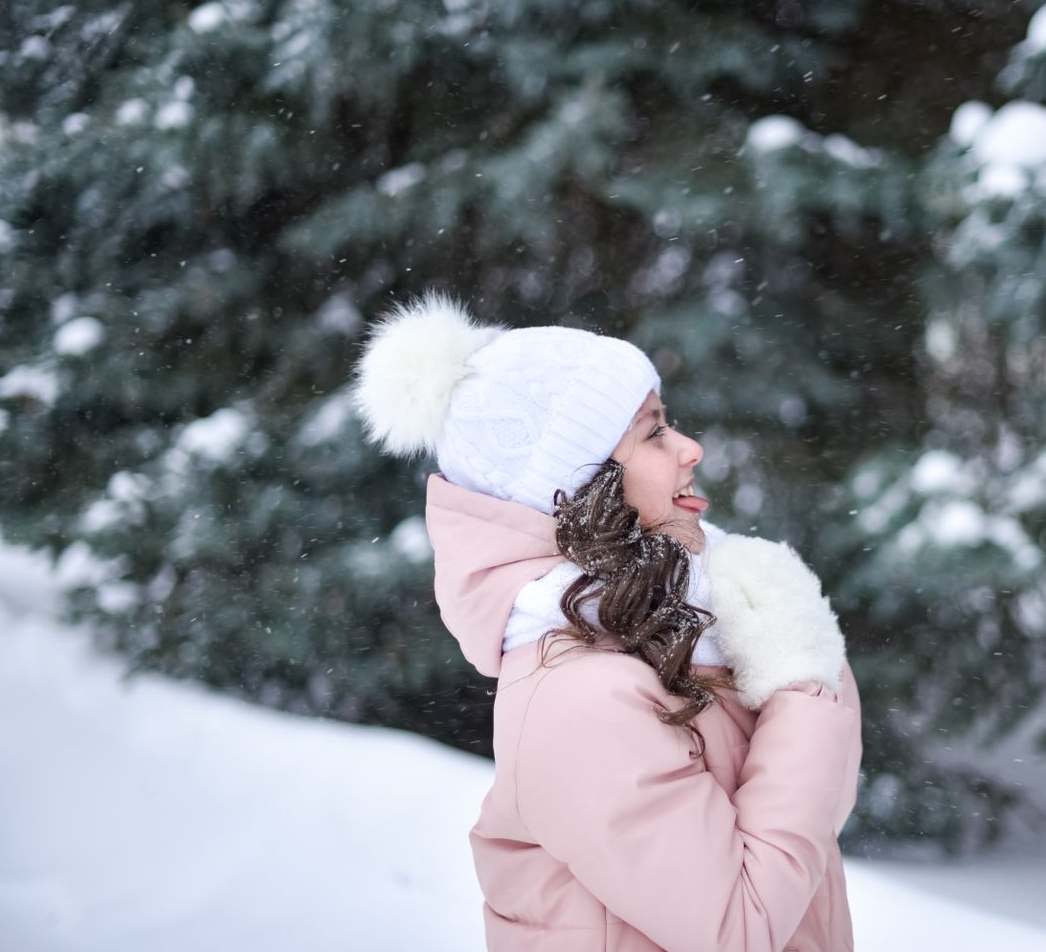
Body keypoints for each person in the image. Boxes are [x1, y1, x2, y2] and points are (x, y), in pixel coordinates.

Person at [353, 292, 862, 951]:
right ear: (579, 488)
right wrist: (801, 677)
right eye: (653, 432)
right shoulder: (579, 699)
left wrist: (789, 651)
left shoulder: (691, 629)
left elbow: (806, 832)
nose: (691, 448)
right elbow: (742, 927)